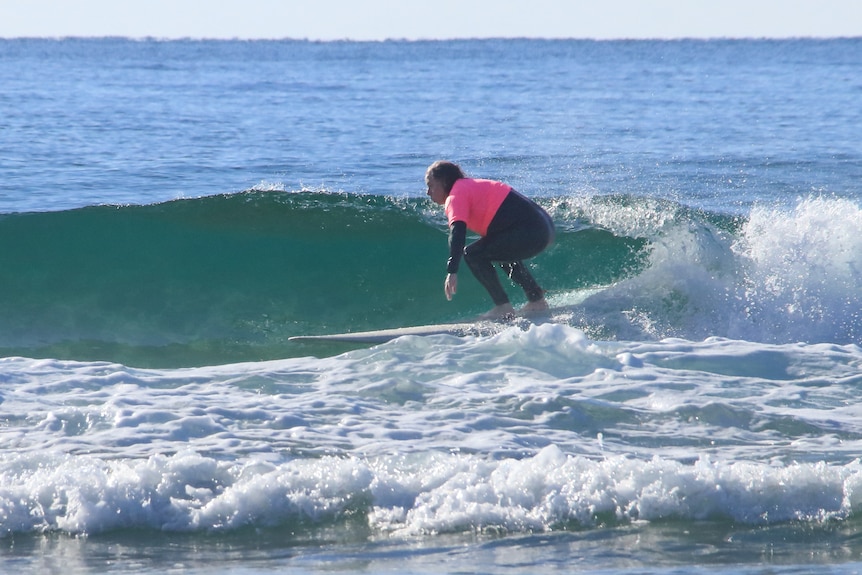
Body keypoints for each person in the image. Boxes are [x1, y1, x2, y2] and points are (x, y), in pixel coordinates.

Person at [425, 160, 555, 319]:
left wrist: (452, 270)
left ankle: (503, 306)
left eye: (431, 185)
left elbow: (457, 232)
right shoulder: (469, 186)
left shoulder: (455, 195)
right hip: (543, 228)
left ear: (444, 181)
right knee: (497, 250)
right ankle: (537, 301)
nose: (428, 192)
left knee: (472, 254)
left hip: (530, 231)